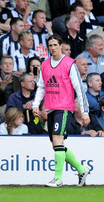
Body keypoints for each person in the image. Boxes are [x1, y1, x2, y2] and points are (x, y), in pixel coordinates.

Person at [32, 34, 91, 187]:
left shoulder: (69, 64)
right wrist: (35, 105)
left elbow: (79, 88)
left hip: (64, 108)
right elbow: (41, 87)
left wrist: (85, 112)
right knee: (57, 145)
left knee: (58, 140)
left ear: (60, 45)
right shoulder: (44, 65)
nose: (52, 48)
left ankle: (58, 179)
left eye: (55, 45)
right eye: (50, 46)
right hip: (50, 108)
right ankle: (82, 169)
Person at [0, 55, 20, 120]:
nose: (8, 66)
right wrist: (2, 88)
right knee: (8, 114)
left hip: (15, 106)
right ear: (1, 66)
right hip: (1, 106)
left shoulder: (18, 80)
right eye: (5, 63)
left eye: (10, 64)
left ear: (13, 67)